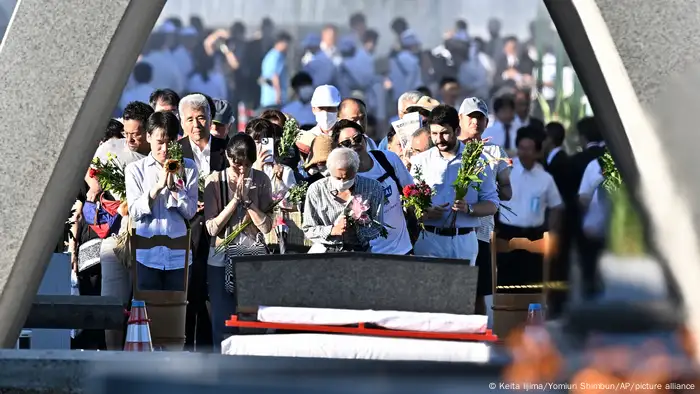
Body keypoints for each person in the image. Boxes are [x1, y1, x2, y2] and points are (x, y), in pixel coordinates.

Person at [89, 102, 153, 350]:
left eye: (136, 134)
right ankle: (113, 355)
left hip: (147, 236)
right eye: (126, 133)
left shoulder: (158, 153)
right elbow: (91, 171)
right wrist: (97, 189)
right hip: (115, 237)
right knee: (111, 304)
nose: (130, 139)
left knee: (146, 303)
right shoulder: (110, 147)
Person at [204, 133, 273, 352]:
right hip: (221, 256)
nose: (241, 170)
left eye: (246, 164)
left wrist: (250, 203)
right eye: (236, 165)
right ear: (228, 157)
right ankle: (221, 365)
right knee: (222, 319)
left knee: (252, 318)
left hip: (252, 255)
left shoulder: (261, 180)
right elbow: (212, 227)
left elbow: (266, 226)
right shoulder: (215, 181)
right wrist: (234, 202)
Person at [410, 105, 499, 262]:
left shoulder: (477, 161)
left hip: (463, 240)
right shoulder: (420, 161)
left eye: (445, 133)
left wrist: (469, 208)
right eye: (434, 134)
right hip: (430, 238)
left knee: (461, 287)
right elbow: (410, 204)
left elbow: (492, 204)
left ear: (457, 131)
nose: (439, 139)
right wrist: (425, 212)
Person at [125, 111, 198, 291]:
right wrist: (157, 187)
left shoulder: (188, 167)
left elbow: (190, 212)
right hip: (146, 256)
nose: (164, 149)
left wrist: (176, 191)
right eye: (159, 142)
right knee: (147, 312)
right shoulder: (135, 170)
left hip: (178, 257)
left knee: (177, 312)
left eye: (170, 142)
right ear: (148, 137)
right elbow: (134, 212)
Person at [332, 120, 413, 255]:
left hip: (404, 249)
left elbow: (410, 190)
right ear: (338, 149)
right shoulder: (344, 178)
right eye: (346, 143)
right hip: (372, 255)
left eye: (357, 138)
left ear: (364, 138)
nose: (354, 144)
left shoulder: (387, 159)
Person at [497, 127, 563, 291]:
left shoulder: (545, 178)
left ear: (538, 152)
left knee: (532, 285)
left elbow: (557, 206)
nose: (524, 153)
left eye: (529, 149)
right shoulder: (506, 171)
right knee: (506, 286)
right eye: (521, 148)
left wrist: (553, 232)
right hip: (506, 235)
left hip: (534, 237)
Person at [302, 148, 384, 252]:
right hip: (327, 251)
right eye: (338, 178)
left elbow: (377, 225)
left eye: (348, 178)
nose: (342, 182)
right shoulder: (317, 190)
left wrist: (357, 228)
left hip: (359, 251)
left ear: (356, 170)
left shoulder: (373, 187)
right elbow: (308, 229)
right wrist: (332, 230)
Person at [260, 32, 292, 108]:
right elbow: (274, 76)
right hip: (274, 101)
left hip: (271, 100)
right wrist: (278, 95)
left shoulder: (272, 55)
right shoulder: (276, 56)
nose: (288, 47)